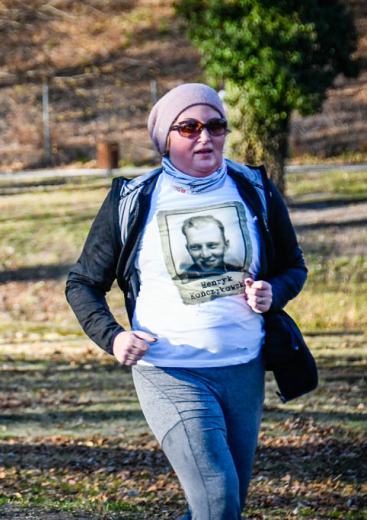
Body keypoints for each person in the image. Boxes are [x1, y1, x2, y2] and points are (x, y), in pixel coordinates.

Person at [66, 83, 306, 519]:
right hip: (170, 369)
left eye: (215, 126)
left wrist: (275, 292)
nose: (205, 137)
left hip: (243, 368)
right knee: (217, 497)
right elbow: (82, 282)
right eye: (189, 127)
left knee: (223, 503)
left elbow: (293, 266)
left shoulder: (254, 189)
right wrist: (114, 338)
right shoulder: (134, 199)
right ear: (165, 137)